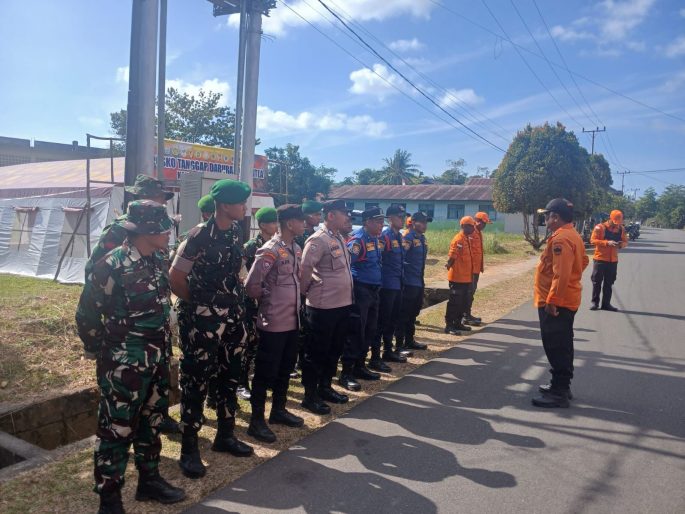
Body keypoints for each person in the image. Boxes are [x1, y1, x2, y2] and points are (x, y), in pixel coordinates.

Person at [75, 200, 185, 514]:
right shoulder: (111, 265)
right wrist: (108, 352)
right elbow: (86, 316)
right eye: (163, 228)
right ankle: (109, 499)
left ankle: (149, 481)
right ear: (146, 231)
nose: (168, 233)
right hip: (124, 366)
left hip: (157, 359)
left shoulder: (158, 258)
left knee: (152, 421)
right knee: (116, 430)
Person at [170, 179, 254, 480]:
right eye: (241, 202)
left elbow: (237, 270)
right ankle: (189, 448)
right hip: (203, 321)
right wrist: (202, 305)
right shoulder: (198, 236)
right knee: (196, 380)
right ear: (225, 205)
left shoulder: (235, 231)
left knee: (230, 374)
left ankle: (225, 435)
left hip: (232, 316)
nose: (245, 207)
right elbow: (175, 277)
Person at [244, 204, 307, 442]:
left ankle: (278, 410)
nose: (304, 224)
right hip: (273, 322)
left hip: (292, 320)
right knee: (264, 372)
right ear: (290, 223)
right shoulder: (270, 250)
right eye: (301, 220)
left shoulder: (296, 248)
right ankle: (256, 421)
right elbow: (252, 285)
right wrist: (269, 300)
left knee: (285, 367)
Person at [532, 198, 589, 408]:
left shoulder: (561, 239)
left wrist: (553, 300)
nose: (545, 219)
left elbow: (562, 273)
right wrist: (572, 278)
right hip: (565, 298)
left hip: (557, 302)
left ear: (555, 217)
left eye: (547, 216)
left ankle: (559, 392)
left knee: (556, 346)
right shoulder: (571, 234)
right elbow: (583, 261)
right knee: (562, 344)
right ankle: (560, 384)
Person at [300, 199, 355, 414]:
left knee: (334, 350)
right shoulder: (318, 239)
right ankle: (310, 395)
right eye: (343, 213)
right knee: (317, 352)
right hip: (322, 307)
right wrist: (306, 294)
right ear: (331, 215)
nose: (347, 217)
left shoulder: (338, 237)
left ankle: (325, 387)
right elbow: (305, 270)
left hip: (342, 304)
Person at [85, 174, 175, 278]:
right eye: (161, 197)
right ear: (144, 198)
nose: (165, 202)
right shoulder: (118, 229)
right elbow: (95, 270)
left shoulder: (161, 227)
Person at [341, 207, 387, 390]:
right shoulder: (357, 240)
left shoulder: (374, 238)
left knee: (370, 329)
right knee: (356, 331)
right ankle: (346, 373)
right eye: (378, 221)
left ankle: (360, 366)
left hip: (373, 291)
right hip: (361, 290)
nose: (381, 225)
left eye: (382, 221)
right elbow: (346, 266)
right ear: (367, 222)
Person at [236, 206, 279, 401]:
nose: (276, 225)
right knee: (249, 342)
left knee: (265, 341)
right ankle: (242, 383)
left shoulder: (278, 245)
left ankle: (264, 378)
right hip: (252, 302)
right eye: (272, 222)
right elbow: (238, 267)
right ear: (262, 225)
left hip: (270, 300)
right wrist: (247, 284)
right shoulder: (252, 245)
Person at [377, 205, 409, 364]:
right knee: (384, 320)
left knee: (393, 319)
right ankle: (377, 354)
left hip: (398, 283)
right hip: (387, 285)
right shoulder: (385, 236)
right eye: (399, 217)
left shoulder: (399, 236)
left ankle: (388, 351)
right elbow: (378, 260)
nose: (403, 220)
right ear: (390, 219)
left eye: (403, 217)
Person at [396, 211, 431, 352]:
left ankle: (409, 340)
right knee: (403, 314)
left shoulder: (421, 238)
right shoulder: (408, 238)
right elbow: (401, 258)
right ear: (413, 222)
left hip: (418, 281)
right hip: (408, 282)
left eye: (426, 222)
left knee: (413, 313)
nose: (425, 225)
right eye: (422, 222)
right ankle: (399, 344)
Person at [590, 209, 627, 311]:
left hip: (613, 260)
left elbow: (625, 242)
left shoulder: (621, 229)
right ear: (610, 219)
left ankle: (606, 304)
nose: (616, 224)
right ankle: (595, 303)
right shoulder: (600, 227)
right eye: (615, 222)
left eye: (618, 222)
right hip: (600, 259)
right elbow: (593, 240)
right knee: (596, 282)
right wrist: (607, 243)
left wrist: (621, 245)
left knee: (609, 283)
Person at [444, 217, 476, 335]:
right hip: (457, 278)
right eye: (471, 226)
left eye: (473, 226)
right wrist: (449, 264)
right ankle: (449, 325)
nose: (473, 228)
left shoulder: (467, 239)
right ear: (464, 226)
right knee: (454, 303)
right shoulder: (458, 239)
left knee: (463, 302)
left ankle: (458, 323)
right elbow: (453, 255)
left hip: (466, 278)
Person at [464, 212, 492, 325]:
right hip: (470, 269)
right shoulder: (471, 232)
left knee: (471, 292)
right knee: (468, 293)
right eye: (484, 223)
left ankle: (467, 314)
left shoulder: (478, 233)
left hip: (475, 269)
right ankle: (465, 316)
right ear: (478, 221)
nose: (484, 226)